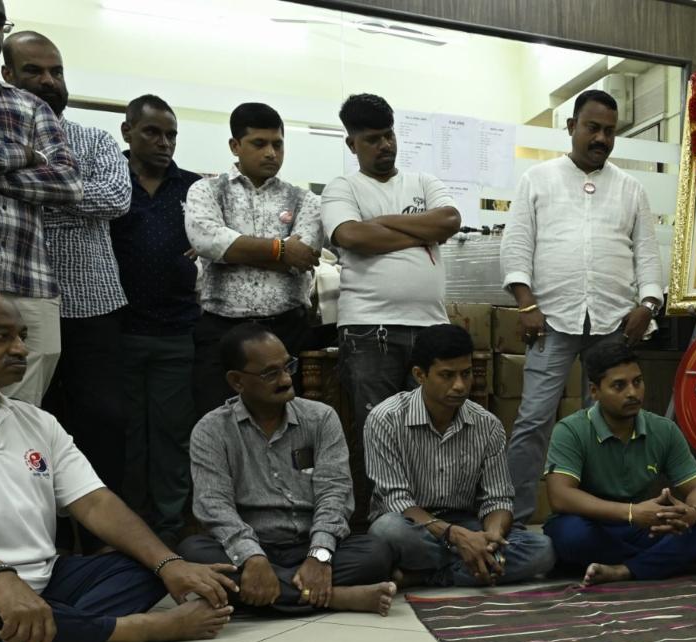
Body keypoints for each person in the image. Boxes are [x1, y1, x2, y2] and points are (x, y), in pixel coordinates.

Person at [0, 290, 237, 642]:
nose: (20, 348)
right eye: (1, 337)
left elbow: (94, 501)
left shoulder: (36, 421)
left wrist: (169, 562)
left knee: (148, 565)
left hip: (45, 579)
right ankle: (135, 630)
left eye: (22, 335)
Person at [499, 89, 664, 521]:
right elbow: (516, 246)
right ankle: (513, 519)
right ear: (571, 127)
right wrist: (525, 303)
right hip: (550, 320)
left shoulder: (631, 189)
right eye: (593, 127)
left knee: (609, 424)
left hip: (613, 322)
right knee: (534, 419)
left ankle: (605, 515)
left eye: (609, 131)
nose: (601, 138)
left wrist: (647, 303)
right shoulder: (538, 179)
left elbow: (647, 255)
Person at [1, 32, 133, 553]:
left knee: (102, 427)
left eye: (56, 71)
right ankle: (39, 545)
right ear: (7, 76)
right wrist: (60, 188)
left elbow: (116, 198)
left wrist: (33, 187)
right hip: (22, 300)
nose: (49, 82)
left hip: (95, 304)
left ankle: (107, 550)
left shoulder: (94, 139)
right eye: (34, 71)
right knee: (26, 429)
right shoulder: (0, 136)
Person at [181, 324, 397, 615]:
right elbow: (214, 507)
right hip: (250, 546)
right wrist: (253, 558)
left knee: (376, 554)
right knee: (193, 553)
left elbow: (334, 493)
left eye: (288, 366)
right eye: (270, 373)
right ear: (236, 381)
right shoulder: (211, 430)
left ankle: (269, 593)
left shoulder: (320, 418)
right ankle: (336, 597)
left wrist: (319, 556)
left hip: (310, 541)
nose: (286, 379)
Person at [320, 93, 460, 461]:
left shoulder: (423, 180)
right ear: (352, 143)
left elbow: (449, 221)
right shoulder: (342, 188)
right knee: (377, 435)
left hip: (429, 327)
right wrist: (422, 232)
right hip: (369, 329)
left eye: (389, 135)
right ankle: (381, 519)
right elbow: (352, 236)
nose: (385, 145)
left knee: (432, 432)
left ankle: (426, 513)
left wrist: (382, 222)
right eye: (372, 139)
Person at [0, 1, 81, 405]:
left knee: (20, 420)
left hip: (30, 284)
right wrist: (23, 154)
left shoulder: (30, 105)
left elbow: (67, 182)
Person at [366, 325, 555, 587]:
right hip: (414, 526)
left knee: (542, 549)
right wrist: (455, 537)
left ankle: (426, 575)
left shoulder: (487, 424)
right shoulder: (385, 419)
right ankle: (470, 565)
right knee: (387, 531)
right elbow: (396, 501)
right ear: (420, 375)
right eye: (447, 375)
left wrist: (490, 536)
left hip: (467, 524)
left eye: (465, 374)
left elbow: (498, 498)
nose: (460, 385)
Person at [543, 341, 696, 586]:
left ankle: (623, 571)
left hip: (644, 528)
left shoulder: (663, 429)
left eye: (637, 382)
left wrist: (690, 515)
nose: (632, 392)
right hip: (597, 527)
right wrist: (631, 513)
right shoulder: (570, 430)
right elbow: (560, 496)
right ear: (594, 391)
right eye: (619, 385)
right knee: (569, 535)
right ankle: (670, 561)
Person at [184, 102, 323, 417]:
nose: (271, 153)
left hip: (286, 331)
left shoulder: (305, 199)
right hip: (222, 332)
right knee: (218, 423)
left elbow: (304, 255)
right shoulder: (207, 191)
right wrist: (281, 250)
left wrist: (232, 249)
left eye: (278, 144)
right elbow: (207, 240)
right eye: (259, 144)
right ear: (235, 146)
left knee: (287, 425)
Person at [110, 94, 202, 546]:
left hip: (177, 329)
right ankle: (130, 534)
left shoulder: (193, 188)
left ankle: (169, 533)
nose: (164, 142)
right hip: (118, 330)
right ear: (128, 132)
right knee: (128, 438)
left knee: (171, 437)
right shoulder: (110, 181)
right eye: (152, 132)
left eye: (170, 135)